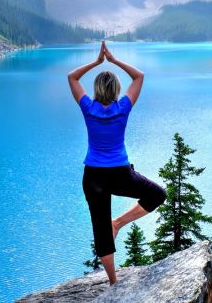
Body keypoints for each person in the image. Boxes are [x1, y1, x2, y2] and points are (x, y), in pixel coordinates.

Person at [67, 41, 166, 285]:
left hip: (93, 177)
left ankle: (113, 281)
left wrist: (97, 62)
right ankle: (119, 223)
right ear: (116, 89)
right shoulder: (123, 108)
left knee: (101, 230)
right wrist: (113, 60)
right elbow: (139, 76)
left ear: (97, 89)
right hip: (121, 174)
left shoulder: (88, 108)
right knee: (157, 195)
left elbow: (72, 77)